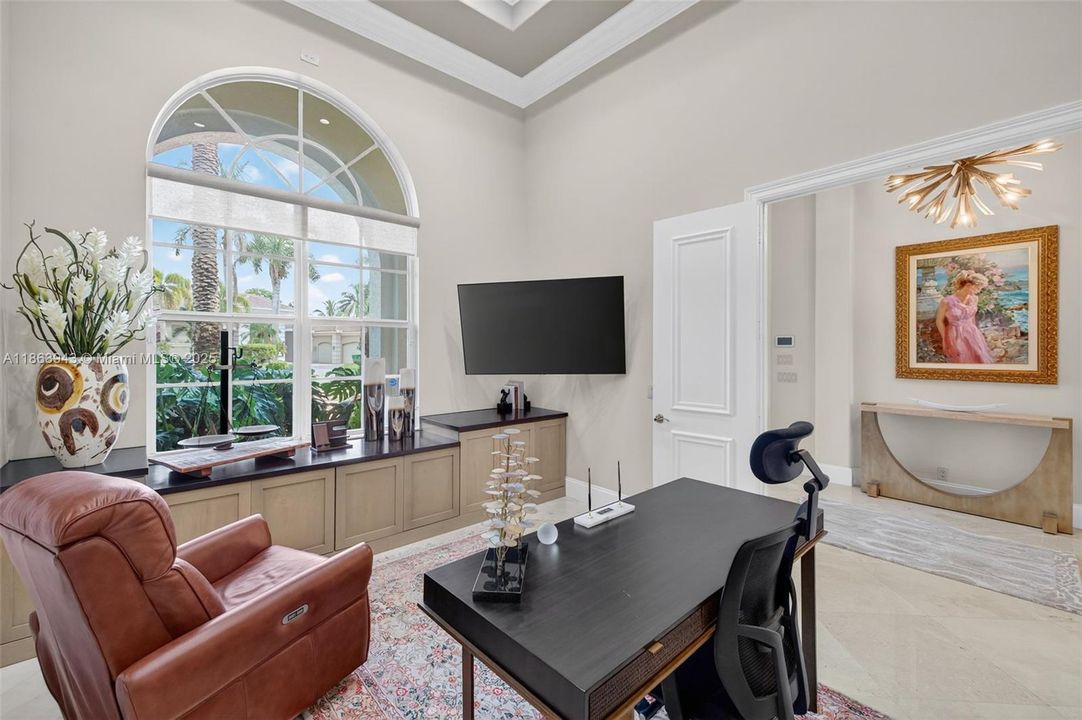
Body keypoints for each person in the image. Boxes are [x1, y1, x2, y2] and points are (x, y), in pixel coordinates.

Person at [935, 270, 995, 363]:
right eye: (978, 288)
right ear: (968, 285)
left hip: (972, 333)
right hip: (955, 334)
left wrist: (976, 335)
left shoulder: (974, 299)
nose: (979, 291)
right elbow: (939, 321)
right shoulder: (947, 301)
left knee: (980, 358)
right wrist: (945, 339)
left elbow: (972, 318)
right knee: (962, 359)